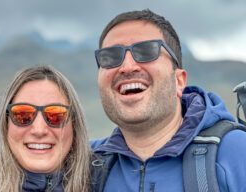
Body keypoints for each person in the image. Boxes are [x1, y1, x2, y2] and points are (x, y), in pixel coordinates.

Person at [91, 9, 246, 191]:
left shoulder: (236, 153)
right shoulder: (83, 165)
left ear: (179, 81)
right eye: (110, 57)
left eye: (146, 51)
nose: (127, 67)